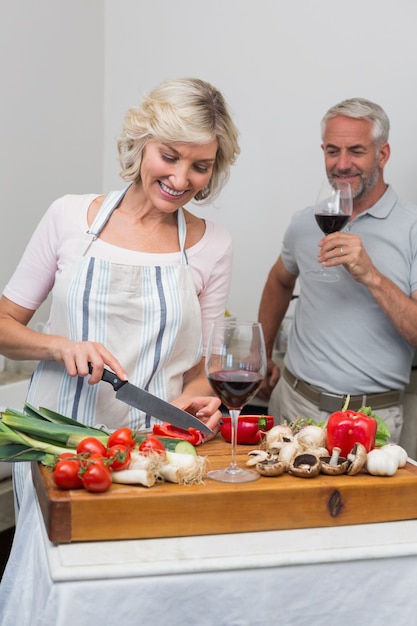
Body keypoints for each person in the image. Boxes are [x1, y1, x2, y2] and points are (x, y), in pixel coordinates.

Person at [0, 77, 240, 505]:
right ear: (142, 143)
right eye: (169, 156)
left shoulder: (212, 245)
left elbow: (197, 373)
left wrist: (199, 401)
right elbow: (3, 329)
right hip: (58, 448)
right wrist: (60, 347)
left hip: (154, 456)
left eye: (200, 166)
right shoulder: (69, 216)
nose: (180, 178)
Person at [258, 97, 417, 443]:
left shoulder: (412, 228)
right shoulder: (303, 223)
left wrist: (371, 276)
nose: (342, 164)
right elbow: (279, 281)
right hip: (293, 407)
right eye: (333, 151)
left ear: (383, 154)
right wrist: (262, 354)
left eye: (356, 151)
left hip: (373, 420)